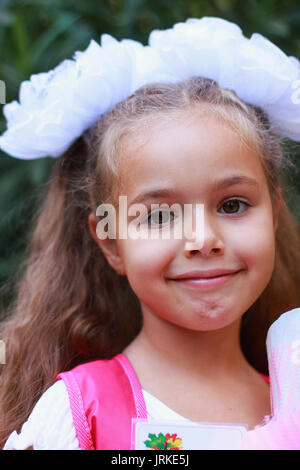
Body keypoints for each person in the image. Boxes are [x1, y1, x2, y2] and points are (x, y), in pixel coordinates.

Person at [0, 17, 299, 450]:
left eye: (232, 205)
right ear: (110, 242)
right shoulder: (82, 412)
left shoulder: (289, 399)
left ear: (273, 213)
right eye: (159, 216)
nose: (203, 239)